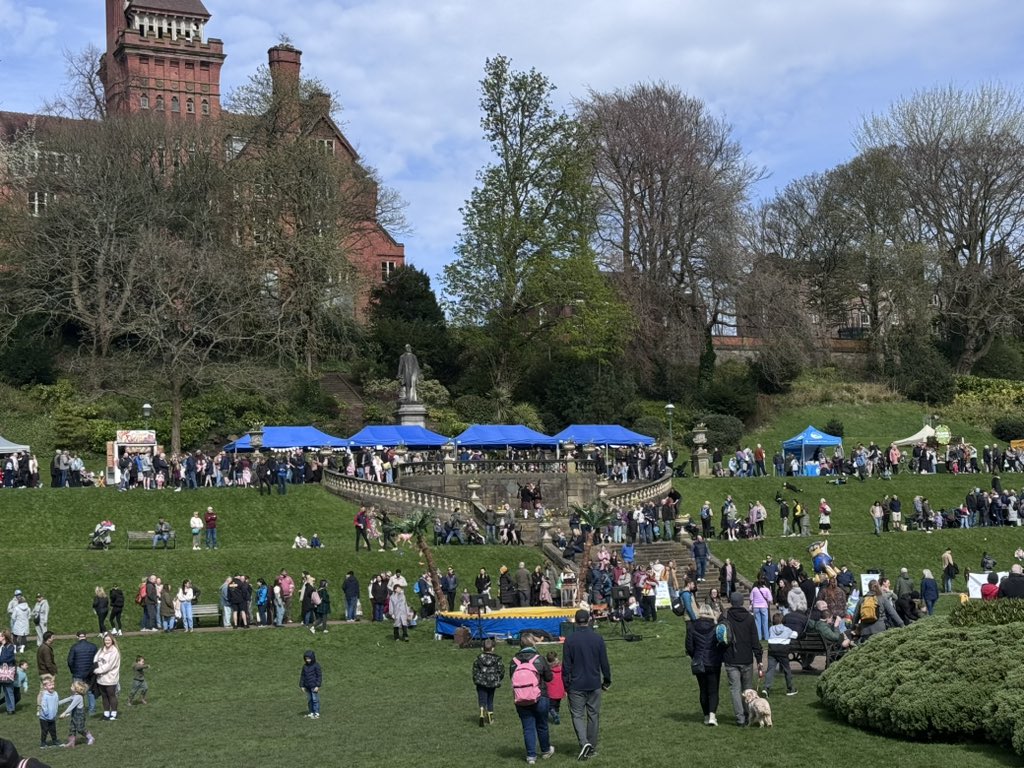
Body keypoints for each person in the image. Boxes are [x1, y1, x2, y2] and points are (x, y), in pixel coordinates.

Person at [562, 609, 611, 761]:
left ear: (575, 621)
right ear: (589, 620)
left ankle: (584, 743)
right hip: (594, 682)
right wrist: (607, 680)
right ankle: (591, 746)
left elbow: (566, 665)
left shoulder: (570, 640)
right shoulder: (597, 638)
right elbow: (604, 662)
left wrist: (565, 684)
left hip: (576, 684)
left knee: (577, 715)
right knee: (593, 715)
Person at [510, 632, 555, 764]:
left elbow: (512, 678)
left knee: (528, 727)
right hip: (540, 696)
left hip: (521, 698)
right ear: (532, 643)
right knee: (542, 724)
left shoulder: (514, 661)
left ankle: (531, 756)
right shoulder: (539, 659)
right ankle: (546, 750)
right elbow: (549, 677)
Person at [721, 591, 761, 727]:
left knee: (734, 689)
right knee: (747, 688)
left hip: (731, 657)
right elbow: (755, 639)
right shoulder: (749, 618)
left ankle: (740, 718)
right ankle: (748, 714)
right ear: (742, 602)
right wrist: (759, 657)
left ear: (731, 602)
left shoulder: (725, 617)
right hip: (746, 657)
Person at [762, 613, 798, 697]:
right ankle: (790, 688)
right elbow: (795, 635)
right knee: (787, 670)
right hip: (782, 651)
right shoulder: (787, 629)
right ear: (783, 620)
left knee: (770, 670)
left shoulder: (771, 628)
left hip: (772, 650)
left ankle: (766, 688)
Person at [472, 638, 504, 727]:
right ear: (493, 648)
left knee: (482, 698)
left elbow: (475, 670)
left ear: (482, 648)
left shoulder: (478, 659)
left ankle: (482, 711)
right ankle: (490, 716)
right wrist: (498, 679)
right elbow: (501, 670)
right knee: (490, 699)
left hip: (481, 682)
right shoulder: (497, 659)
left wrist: (476, 679)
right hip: (492, 682)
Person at [65, 630, 97, 716]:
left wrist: (73, 670)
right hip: (90, 673)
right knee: (90, 692)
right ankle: (92, 710)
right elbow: (96, 661)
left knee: (77, 692)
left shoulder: (74, 647)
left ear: (77, 637)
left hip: (77, 673)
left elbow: (70, 661)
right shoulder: (93, 647)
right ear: (86, 636)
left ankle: (77, 709)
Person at [58, 679, 94, 747]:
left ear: (76, 689)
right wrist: (56, 703)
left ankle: (90, 738)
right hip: (74, 715)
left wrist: (65, 713)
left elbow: (71, 706)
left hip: (79, 716)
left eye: (72, 686)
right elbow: (66, 700)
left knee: (80, 729)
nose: (71, 686)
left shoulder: (78, 697)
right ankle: (71, 742)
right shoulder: (74, 696)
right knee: (72, 728)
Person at [92, 632, 120, 721]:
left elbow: (109, 665)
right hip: (101, 678)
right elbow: (95, 659)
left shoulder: (114, 651)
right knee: (104, 696)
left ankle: (114, 714)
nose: (107, 641)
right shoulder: (101, 649)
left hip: (110, 677)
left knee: (111, 695)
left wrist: (98, 670)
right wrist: (95, 666)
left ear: (112, 641)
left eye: (109, 640)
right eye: (105, 640)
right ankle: (106, 714)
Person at [38, 674, 60, 748]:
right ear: (45, 687)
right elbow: (44, 706)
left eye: (53, 685)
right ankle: (43, 742)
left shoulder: (55, 694)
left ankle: (55, 740)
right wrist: (47, 714)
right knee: (45, 730)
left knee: (53, 730)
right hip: (44, 717)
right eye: (50, 685)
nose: (52, 686)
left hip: (52, 716)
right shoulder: (45, 695)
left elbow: (56, 703)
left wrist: (55, 712)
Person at [299, 650, 322, 719]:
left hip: (314, 686)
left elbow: (319, 676)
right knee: (309, 700)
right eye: (306, 659)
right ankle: (311, 712)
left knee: (315, 700)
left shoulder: (316, 666)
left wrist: (317, 685)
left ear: (312, 658)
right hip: (307, 686)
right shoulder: (305, 666)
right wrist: (302, 685)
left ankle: (316, 712)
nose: (308, 660)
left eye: (309, 658)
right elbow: (302, 676)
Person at [545, 651, 565, 725]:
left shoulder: (547, 669)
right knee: (557, 705)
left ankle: (554, 715)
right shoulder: (561, 668)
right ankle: (557, 715)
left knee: (550, 706)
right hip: (560, 691)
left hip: (551, 692)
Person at [0, 631, 15, 714]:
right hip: (1, 670)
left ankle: (11, 708)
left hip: (6, 671)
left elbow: (5, 659)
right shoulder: (1, 646)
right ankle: (8, 707)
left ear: (4, 637)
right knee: (5, 691)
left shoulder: (9, 647)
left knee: (9, 690)